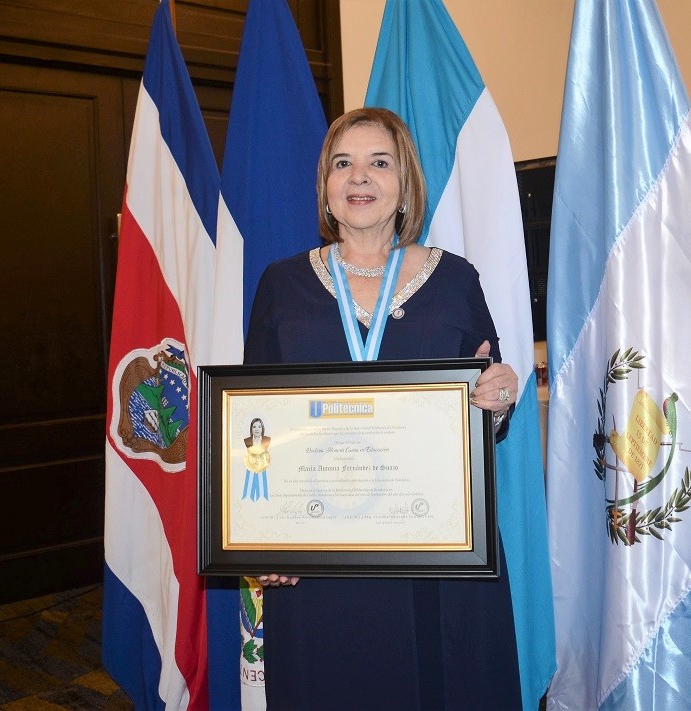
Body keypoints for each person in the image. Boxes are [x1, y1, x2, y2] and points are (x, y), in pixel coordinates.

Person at [245, 107, 522, 709]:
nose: (359, 178)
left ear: (405, 185)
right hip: (319, 556)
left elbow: (486, 406)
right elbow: (254, 423)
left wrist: (499, 399)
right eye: (342, 164)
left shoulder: (455, 280)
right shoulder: (280, 284)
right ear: (325, 185)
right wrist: (263, 538)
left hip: (437, 549)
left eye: (379, 163)